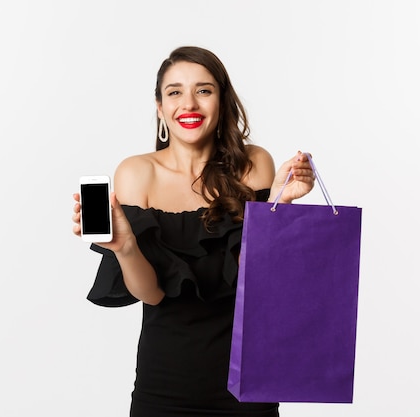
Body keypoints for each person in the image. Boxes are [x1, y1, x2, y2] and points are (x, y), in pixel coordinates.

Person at [72, 46, 315, 417]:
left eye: (203, 90)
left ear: (222, 100)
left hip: (246, 384)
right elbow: (152, 295)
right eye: (174, 92)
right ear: (159, 107)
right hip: (164, 386)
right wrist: (124, 247)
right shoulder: (137, 173)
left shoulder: (254, 165)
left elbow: (258, 276)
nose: (189, 104)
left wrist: (278, 206)